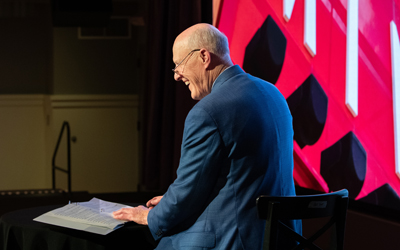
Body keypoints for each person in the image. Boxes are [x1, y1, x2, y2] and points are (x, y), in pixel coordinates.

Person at [113, 23, 301, 249]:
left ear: (204, 57)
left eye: (178, 65)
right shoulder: (274, 94)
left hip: (233, 241)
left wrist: (150, 216)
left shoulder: (208, 111)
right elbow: (242, 177)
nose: (176, 76)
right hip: (283, 239)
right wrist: (171, 201)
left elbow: (187, 191)